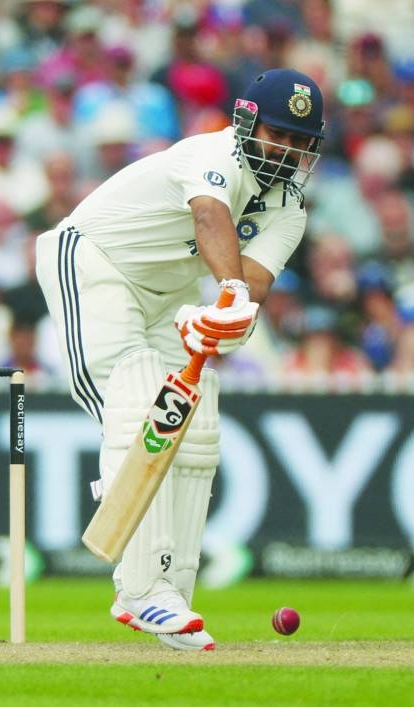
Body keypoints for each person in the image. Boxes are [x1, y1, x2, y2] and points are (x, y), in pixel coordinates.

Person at [34, 68, 325, 651]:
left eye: (299, 140)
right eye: (277, 134)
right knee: (136, 408)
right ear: (247, 123)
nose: (285, 149)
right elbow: (209, 217)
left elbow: (254, 283)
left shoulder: (290, 209)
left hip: (167, 297)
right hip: (95, 262)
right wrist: (231, 292)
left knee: (190, 424)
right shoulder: (211, 154)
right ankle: (139, 590)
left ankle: (169, 589)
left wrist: (227, 317)